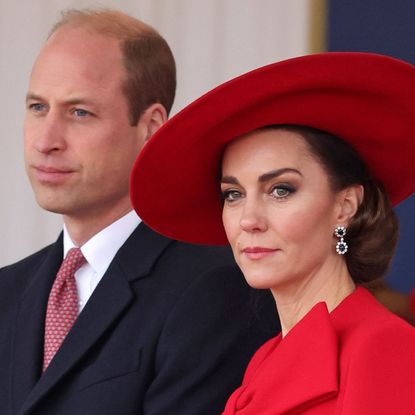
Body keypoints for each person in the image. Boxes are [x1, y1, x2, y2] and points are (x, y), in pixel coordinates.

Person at [0, 9, 278, 415]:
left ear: (151, 126)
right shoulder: (7, 291)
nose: (46, 141)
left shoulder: (215, 288)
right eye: (38, 107)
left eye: (80, 112)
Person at [130, 52, 415, 414]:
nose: (249, 219)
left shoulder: (385, 347)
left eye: (281, 189)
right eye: (233, 194)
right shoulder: (265, 359)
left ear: (345, 207)